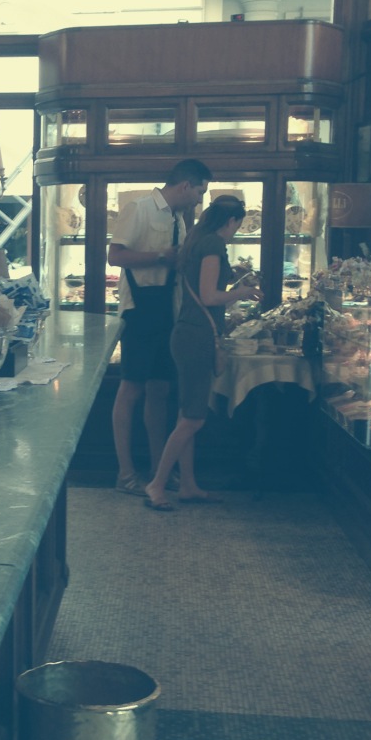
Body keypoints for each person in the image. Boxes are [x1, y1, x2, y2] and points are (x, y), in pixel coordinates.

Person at [143, 194, 260, 512]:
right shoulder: (213, 245)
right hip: (197, 337)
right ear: (232, 221)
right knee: (193, 419)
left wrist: (231, 283)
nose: (236, 231)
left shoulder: (198, 240)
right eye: (238, 225)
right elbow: (209, 296)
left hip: (187, 333)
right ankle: (157, 484)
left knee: (187, 414)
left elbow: (201, 287)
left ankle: (188, 485)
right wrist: (242, 292)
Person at [106, 158, 210, 496]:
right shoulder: (139, 209)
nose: (199, 200)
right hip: (140, 311)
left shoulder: (178, 218)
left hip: (168, 310)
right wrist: (163, 256)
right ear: (185, 185)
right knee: (131, 388)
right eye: (199, 192)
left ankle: (157, 471)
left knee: (161, 391)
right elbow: (115, 257)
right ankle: (124, 473)